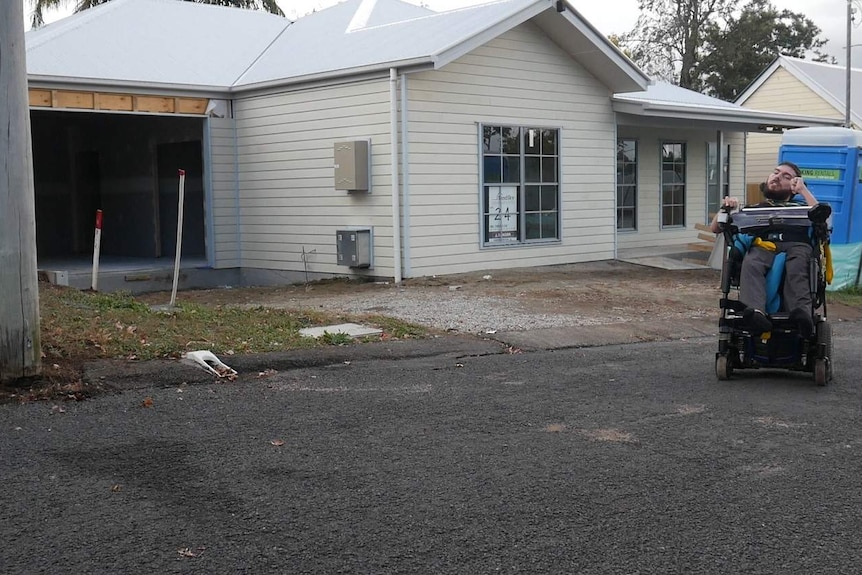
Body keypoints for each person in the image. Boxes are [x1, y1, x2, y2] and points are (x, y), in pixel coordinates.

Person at [710, 161, 819, 336]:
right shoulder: (753, 209)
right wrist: (726, 208)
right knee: (751, 262)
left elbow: (821, 216)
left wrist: (803, 190)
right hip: (764, 244)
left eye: (786, 176)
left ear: (794, 186)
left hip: (796, 245)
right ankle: (755, 313)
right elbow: (715, 228)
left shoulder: (803, 208)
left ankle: (801, 313)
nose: (777, 176)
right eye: (776, 172)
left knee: (798, 266)